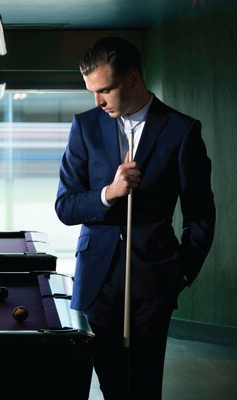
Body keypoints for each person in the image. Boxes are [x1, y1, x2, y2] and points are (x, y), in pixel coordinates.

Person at [55, 37, 215, 399]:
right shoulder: (85, 127)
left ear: (132, 78)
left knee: (143, 388)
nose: (98, 101)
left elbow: (200, 213)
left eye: (105, 90)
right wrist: (108, 193)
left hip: (155, 281)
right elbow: (65, 206)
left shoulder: (181, 130)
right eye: (92, 91)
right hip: (97, 280)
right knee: (111, 385)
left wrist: (182, 272)